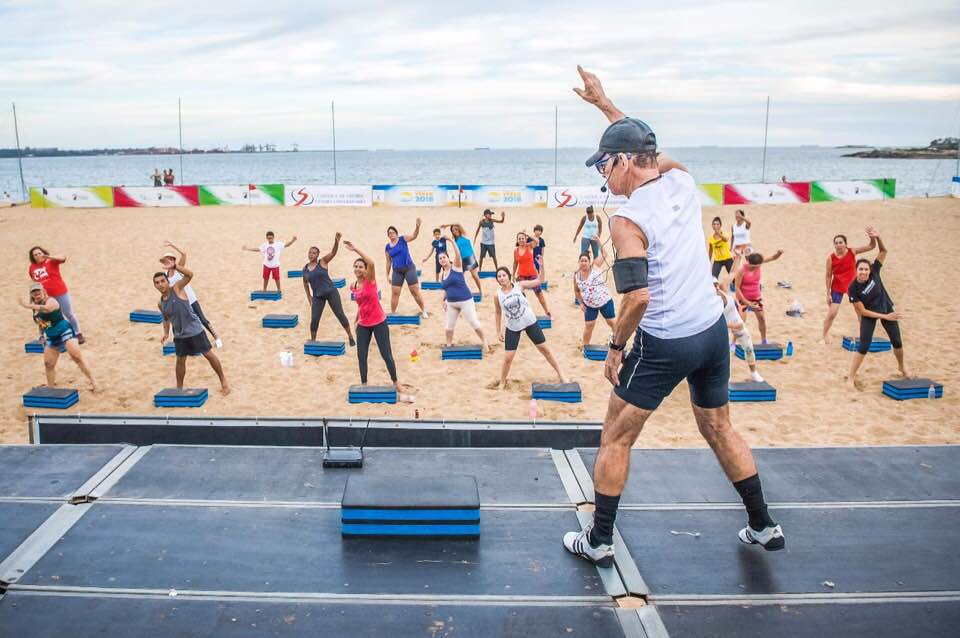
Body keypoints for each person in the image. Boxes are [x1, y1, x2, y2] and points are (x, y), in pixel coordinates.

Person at [562, 66, 784, 568]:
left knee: (615, 435)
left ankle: (598, 541)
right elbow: (647, 147)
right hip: (710, 332)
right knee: (718, 426)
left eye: (604, 166)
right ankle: (763, 524)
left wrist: (616, 347)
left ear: (623, 161)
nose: (603, 175)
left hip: (664, 342)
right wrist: (605, 105)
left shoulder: (627, 219)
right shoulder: (682, 180)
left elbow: (637, 297)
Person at [154, 264, 230, 395]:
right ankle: (179, 388)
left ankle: (223, 381)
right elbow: (166, 318)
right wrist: (166, 333)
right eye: (157, 283)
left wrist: (175, 266)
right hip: (179, 334)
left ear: (167, 281)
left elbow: (189, 275)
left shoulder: (177, 288)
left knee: (209, 355)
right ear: (155, 286)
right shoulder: (161, 303)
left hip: (194, 330)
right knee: (180, 361)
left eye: (162, 281)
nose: (160, 284)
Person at [846, 229, 907, 389]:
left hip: (886, 307)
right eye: (861, 269)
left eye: (866, 269)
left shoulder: (874, 271)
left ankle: (901, 367)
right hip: (870, 314)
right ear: (856, 270)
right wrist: (885, 317)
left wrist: (878, 237)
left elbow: (883, 251)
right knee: (864, 346)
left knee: (897, 342)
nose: (864, 272)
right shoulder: (853, 288)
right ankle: (851, 377)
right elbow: (862, 311)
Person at [494, 260, 566, 388]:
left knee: (545, 349)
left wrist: (542, 266)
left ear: (509, 276)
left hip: (529, 322)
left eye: (504, 275)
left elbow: (539, 281)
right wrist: (498, 331)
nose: (502, 278)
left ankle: (561, 374)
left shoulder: (519, 285)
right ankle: (502, 381)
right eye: (499, 276)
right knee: (508, 358)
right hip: (512, 326)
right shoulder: (497, 295)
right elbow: (498, 313)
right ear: (497, 280)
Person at [20, 283, 98, 392]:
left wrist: (28, 306)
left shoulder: (51, 301)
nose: (37, 294)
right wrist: (41, 335)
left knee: (76, 356)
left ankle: (94, 381)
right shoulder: (35, 308)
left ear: (44, 292)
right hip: (51, 336)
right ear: (31, 295)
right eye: (34, 292)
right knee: (48, 364)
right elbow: (41, 323)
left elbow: (47, 309)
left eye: (38, 291)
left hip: (64, 331)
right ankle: (50, 389)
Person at [344, 240, 400, 389]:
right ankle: (364, 384)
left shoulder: (370, 280)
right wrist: (356, 319)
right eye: (355, 267)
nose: (358, 269)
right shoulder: (353, 286)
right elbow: (361, 304)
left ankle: (396, 382)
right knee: (361, 356)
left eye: (361, 267)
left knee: (386, 355)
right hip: (363, 324)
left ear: (365, 269)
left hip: (379, 323)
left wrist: (356, 248)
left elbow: (372, 263)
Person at [159, 241, 222, 348]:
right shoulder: (165, 276)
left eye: (170, 259)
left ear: (173, 261)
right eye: (165, 260)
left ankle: (217, 338)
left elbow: (184, 254)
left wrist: (172, 245)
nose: (167, 261)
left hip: (191, 299)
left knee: (201, 319)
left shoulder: (179, 269)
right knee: (177, 322)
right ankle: (178, 343)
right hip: (179, 303)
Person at [821, 228, 877, 343]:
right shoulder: (830, 258)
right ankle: (824, 335)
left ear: (846, 244)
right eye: (836, 243)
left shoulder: (852, 251)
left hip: (853, 286)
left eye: (841, 242)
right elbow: (828, 276)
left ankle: (864, 336)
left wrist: (872, 237)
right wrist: (827, 294)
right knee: (832, 313)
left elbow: (871, 246)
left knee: (860, 311)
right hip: (837, 286)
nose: (838, 245)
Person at [302, 233, 355, 345]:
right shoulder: (305, 269)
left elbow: (333, 252)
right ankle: (313, 340)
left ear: (317, 255)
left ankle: (350, 336)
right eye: (310, 252)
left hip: (331, 292)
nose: (311, 255)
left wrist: (336, 241)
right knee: (315, 319)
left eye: (314, 253)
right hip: (317, 296)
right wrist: (309, 296)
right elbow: (305, 283)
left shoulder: (323, 262)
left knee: (340, 314)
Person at [439, 232, 488, 350]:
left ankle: (484, 341)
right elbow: (446, 289)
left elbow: (458, 255)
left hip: (466, 300)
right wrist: (443, 300)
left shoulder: (456, 266)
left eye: (444, 257)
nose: (442, 260)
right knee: (448, 327)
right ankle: (449, 344)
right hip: (451, 303)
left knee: (473, 322)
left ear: (448, 258)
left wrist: (451, 241)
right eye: (440, 259)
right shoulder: (442, 274)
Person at [28, 246, 84, 344]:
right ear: (33, 257)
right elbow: (35, 282)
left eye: (39, 253)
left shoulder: (51, 261)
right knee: (45, 317)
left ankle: (78, 333)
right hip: (46, 297)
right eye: (35, 255)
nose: (38, 255)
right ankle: (45, 336)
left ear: (43, 252)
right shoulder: (32, 267)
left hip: (60, 292)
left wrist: (48, 257)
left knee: (68, 313)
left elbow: (63, 258)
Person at [715, 276, 763, 383]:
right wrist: (733, 326)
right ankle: (726, 379)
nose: (716, 288)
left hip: (736, 322)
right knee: (725, 355)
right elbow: (715, 323)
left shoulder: (722, 289)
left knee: (748, 346)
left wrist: (737, 259)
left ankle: (754, 373)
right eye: (713, 286)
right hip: (725, 327)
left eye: (716, 285)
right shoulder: (711, 304)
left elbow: (732, 272)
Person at [734, 249, 783, 344]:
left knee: (761, 318)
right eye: (754, 266)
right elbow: (737, 288)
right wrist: (747, 302)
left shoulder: (758, 264)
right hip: (743, 299)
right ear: (749, 262)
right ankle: (733, 343)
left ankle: (764, 340)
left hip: (756, 298)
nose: (756, 267)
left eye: (758, 266)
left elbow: (773, 258)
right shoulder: (741, 270)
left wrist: (779, 253)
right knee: (741, 322)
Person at [574, 243, 616, 347]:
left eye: (585, 261)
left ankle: (618, 343)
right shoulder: (576, 276)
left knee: (611, 322)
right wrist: (581, 303)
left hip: (605, 301)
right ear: (579, 262)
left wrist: (598, 241)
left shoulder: (595, 267)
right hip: (590, 305)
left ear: (589, 262)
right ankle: (585, 346)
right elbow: (577, 291)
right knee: (589, 325)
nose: (583, 263)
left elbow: (604, 254)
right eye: (581, 261)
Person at [385, 220, 428, 317]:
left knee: (414, 291)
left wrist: (417, 227)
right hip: (397, 271)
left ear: (396, 233)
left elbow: (414, 236)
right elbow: (388, 262)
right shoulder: (387, 247)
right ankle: (393, 313)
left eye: (393, 232)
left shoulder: (402, 239)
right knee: (395, 293)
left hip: (409, 268)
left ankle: (424, 310)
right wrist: (387, 275)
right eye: (389, 233)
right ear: (388, 236)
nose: (391, 234)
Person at [513, 231, 552, 317]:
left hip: (532, 274)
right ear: (517, 240)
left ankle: (547, 311)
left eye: (523, 238)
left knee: (539, 293)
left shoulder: (529, 246)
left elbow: (537, 241)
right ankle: (523, 313)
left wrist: (528, 235)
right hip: (521, 275)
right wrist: (513, 275)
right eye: (519, 239)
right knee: (519, 294)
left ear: (525, 239)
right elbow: (515, 263)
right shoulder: (516, 250)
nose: (521, 240)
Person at [442, 223, 483, 295]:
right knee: (459, 277)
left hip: (470, 258)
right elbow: (457, 252)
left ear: (459, 229)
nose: (455, 231)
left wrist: (447, 225)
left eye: (456, 229)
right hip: (462, 260)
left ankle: (481, 291)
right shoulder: (454, 241)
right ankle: (461, 291)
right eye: (453, 230)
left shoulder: (464, 235)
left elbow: (458, 223)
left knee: (474, 276)